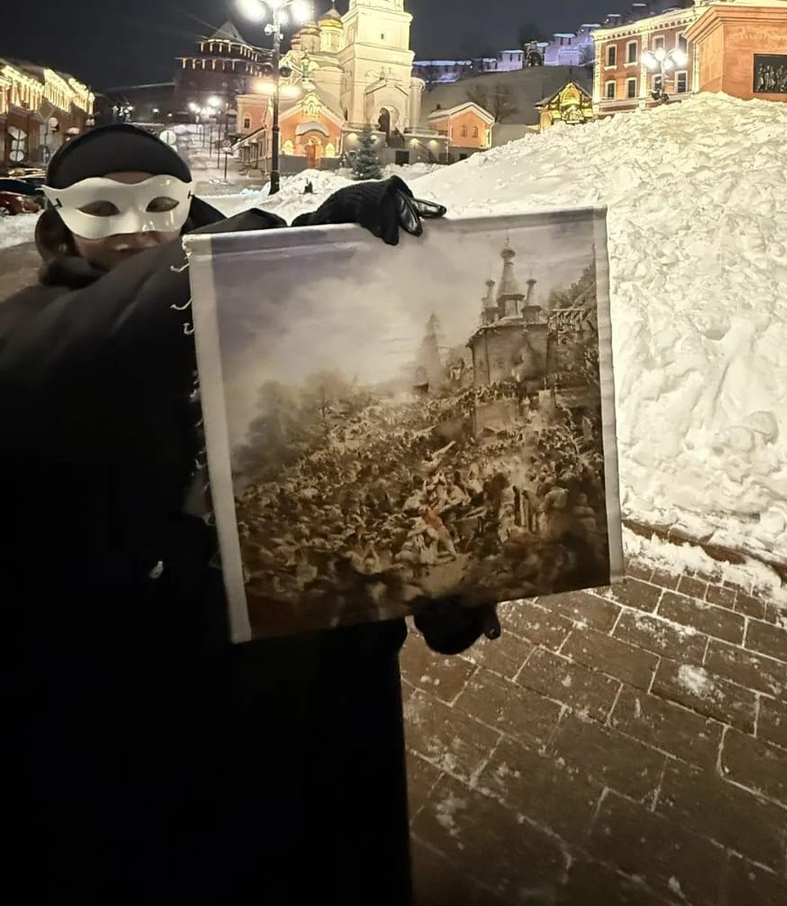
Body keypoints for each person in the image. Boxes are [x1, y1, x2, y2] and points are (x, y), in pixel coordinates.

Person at [0, 123, 494, 903]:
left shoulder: (255, 303)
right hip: (144, 699)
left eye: (160, 202)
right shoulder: (38, 329)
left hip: (304, 682)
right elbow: (71, 354)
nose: (134, 229)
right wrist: (263, 252)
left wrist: (446, 579)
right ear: (59, 219)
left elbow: (367, 452)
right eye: (102, 206)